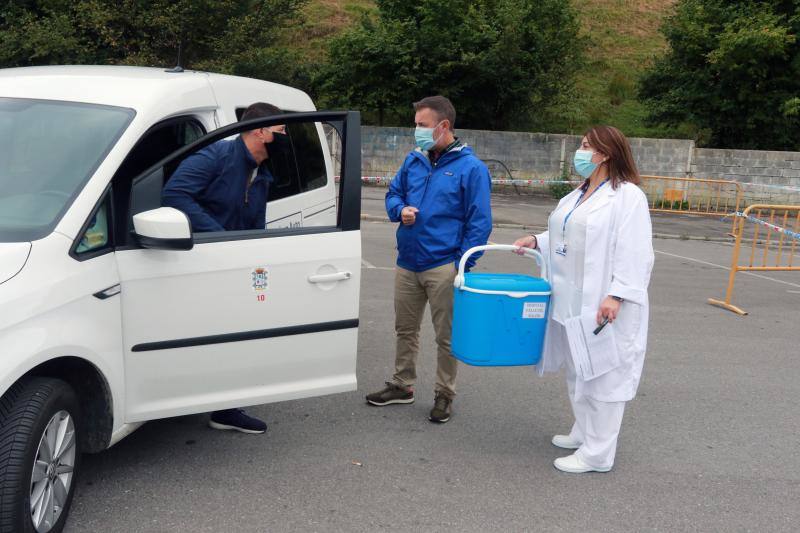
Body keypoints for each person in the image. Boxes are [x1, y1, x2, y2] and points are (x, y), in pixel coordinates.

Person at [513, 125, 654, 473]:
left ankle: (598, 454)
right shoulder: (578, 193)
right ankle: (584, 432)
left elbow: (636, 251)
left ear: (605, 153)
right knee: (578, 372)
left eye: (586, 146)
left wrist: (617, 295)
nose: (579, 151)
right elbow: (565, 232)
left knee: (603, 378)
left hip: (603, 304)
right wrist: (537, 240)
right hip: (569, 302)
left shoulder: (627, 197)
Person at [162, 101, 288, 434]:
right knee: (207, 333)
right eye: (281, 130)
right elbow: (174, 194)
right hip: (205, 260)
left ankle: (225, 407)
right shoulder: (215, 157)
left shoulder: (261, 170)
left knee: (242, 330)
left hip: (239, 262)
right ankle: (196, 400)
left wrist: (259, 262)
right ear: (260, 131)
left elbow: (255, 220)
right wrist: (219, 237)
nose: (285, 137)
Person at [365, 95, 492, 423]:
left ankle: (444, 394)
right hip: (408, 261)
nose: (416, 131)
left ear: (443, 126)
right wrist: (399, 210)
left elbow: (479, 223)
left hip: (442, 266)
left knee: (446, 335)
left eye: (422, 125)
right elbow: (393, 194)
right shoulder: (414, 160)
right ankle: (402, 385)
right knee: (405, 329)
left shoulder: (471, 169)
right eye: (416, 124)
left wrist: (460, 265)